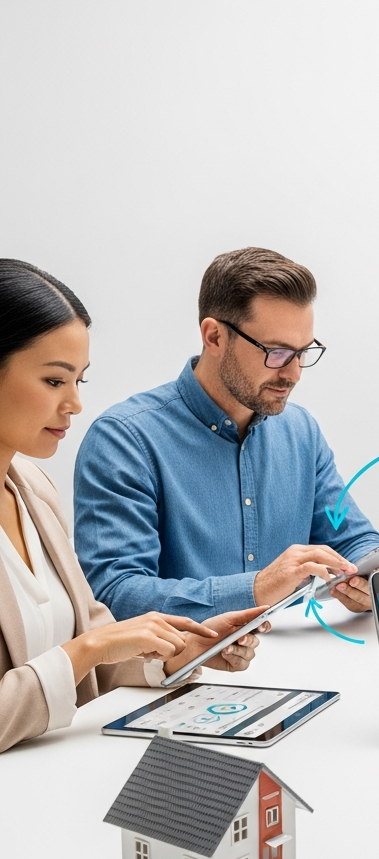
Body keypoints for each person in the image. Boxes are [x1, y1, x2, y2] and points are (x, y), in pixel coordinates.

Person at [0, 260, 268, 753]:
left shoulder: (33, 489)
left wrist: (180, 652)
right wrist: (84, 651)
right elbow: (85, 649)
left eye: (80, 381)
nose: (76, 405)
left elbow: (93, 649)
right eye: (55, 381)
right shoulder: (128, 437)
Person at [73, 248, 379, 622]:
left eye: (303, 352)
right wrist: (256, 588)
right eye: (277, 352)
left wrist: (374, 572)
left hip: (305, 664)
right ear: (214, 337)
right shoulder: (125, 441)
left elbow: (348, 534)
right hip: (188, 674)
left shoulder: (301, 433)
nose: (294, 373)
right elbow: (116, 594)